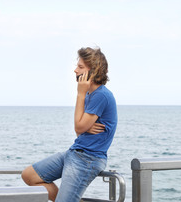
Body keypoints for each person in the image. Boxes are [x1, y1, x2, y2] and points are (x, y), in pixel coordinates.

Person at [21, 47, 118, 202]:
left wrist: (79, 94)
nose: (75, 70)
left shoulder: (101, 95)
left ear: (93, 71)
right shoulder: (89, 94)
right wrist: (84, 125)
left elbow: (78, 127)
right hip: (74, 152)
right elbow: (80, 131)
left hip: (88, 159)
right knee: (29, 175)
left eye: (80, 67)